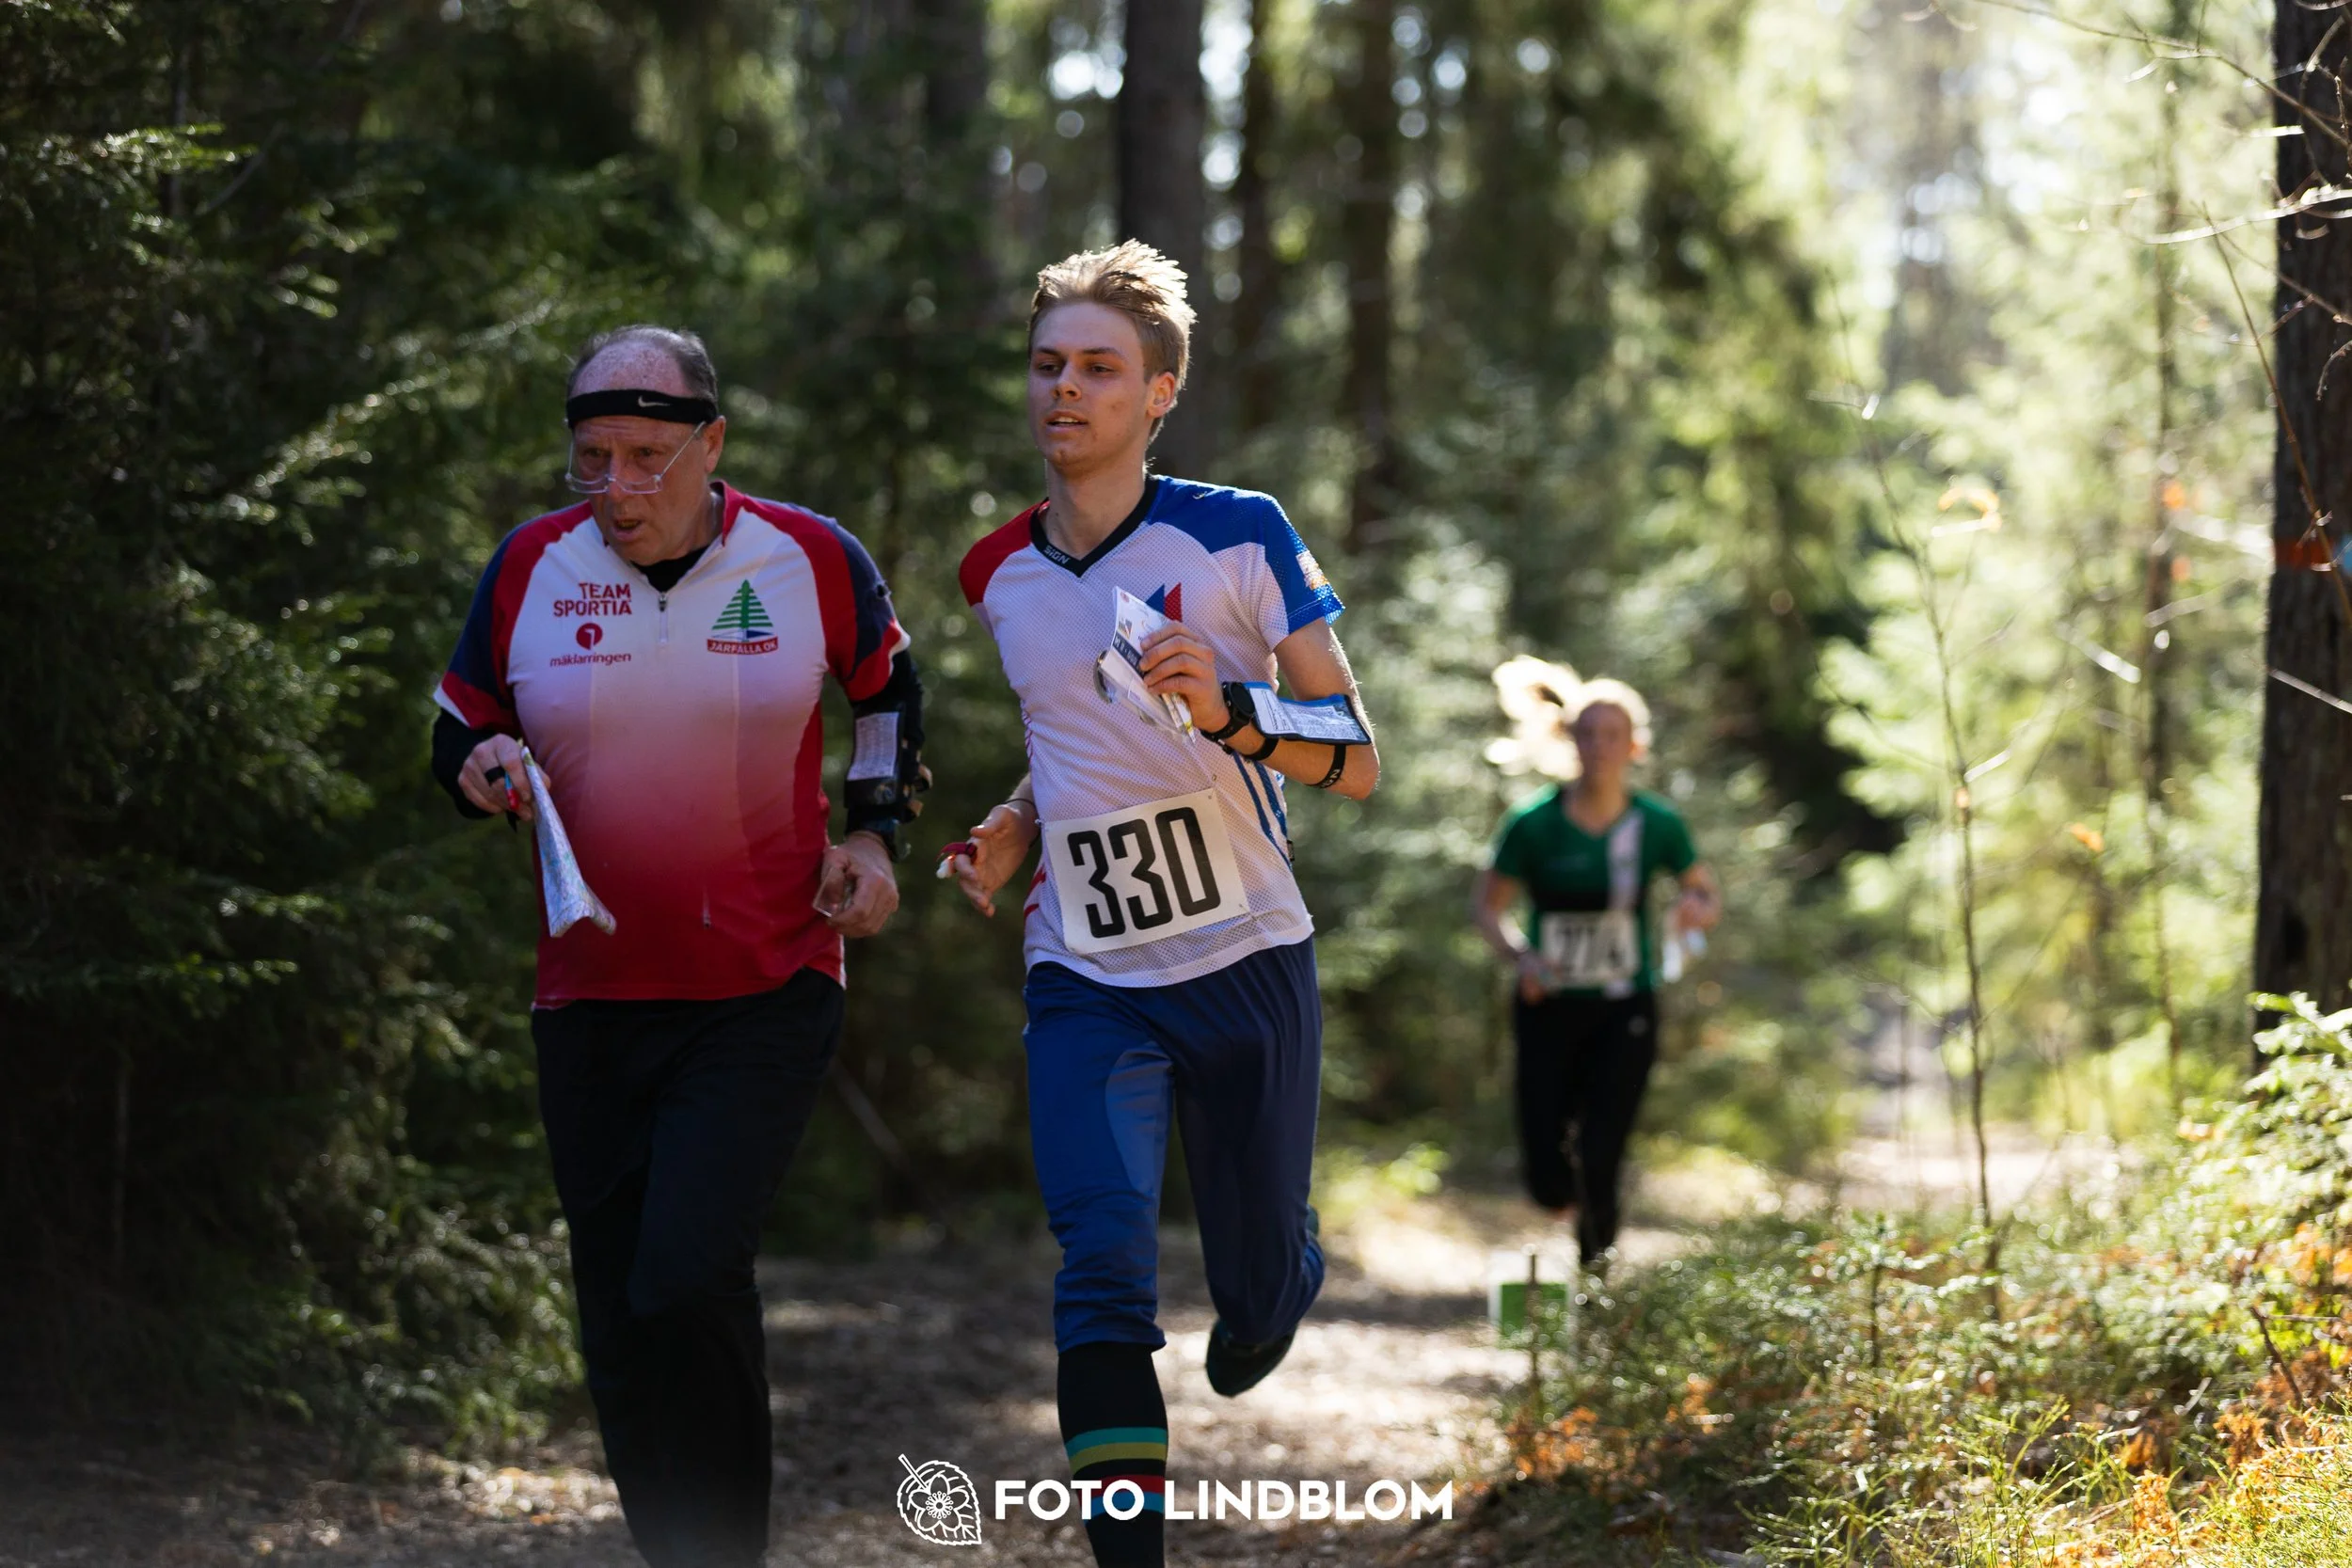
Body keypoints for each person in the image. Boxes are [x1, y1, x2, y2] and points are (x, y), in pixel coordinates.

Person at [429, 325, 930, 1568]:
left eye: (648, 455)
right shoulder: (529, 567)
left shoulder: (810, 558)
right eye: (592, 457)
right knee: (617, 1316)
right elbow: (459, 724)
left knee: (687, 1271)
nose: (618, 489)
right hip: (588, 996)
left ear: (711, 441)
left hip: (763, 982)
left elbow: (888, 696)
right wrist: (481, 766)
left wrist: (873, 841)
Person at [944, 242, 1377, 1568]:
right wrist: (1019, 822)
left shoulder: (1239, 533)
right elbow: (1068, 732)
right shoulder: (997, 575)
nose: (1063, 392)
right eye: (1046, 365)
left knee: (1247, 1288)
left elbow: (1354, 753)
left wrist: (1236, 707)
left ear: (1161, 391)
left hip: (1247, 955)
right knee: (1104, 1266)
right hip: (1088, 969)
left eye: (1098, 369)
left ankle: (1275, 1279)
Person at [1470, 662, 1720, 1271]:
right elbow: (1489, 906)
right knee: (1547, 1170)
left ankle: (1596, 1277)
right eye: (1588, 732)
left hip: (1624, 1006)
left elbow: (1705, 893)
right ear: (1568, 739)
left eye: (1613, 734)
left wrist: (1694, 906)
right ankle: (1563, 1203)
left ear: (1634, 746)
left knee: (1603, 1148)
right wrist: (1520, 953)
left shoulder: (1656, 824)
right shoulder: (1533, 823)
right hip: (1547, 1004)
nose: (1600, 746)